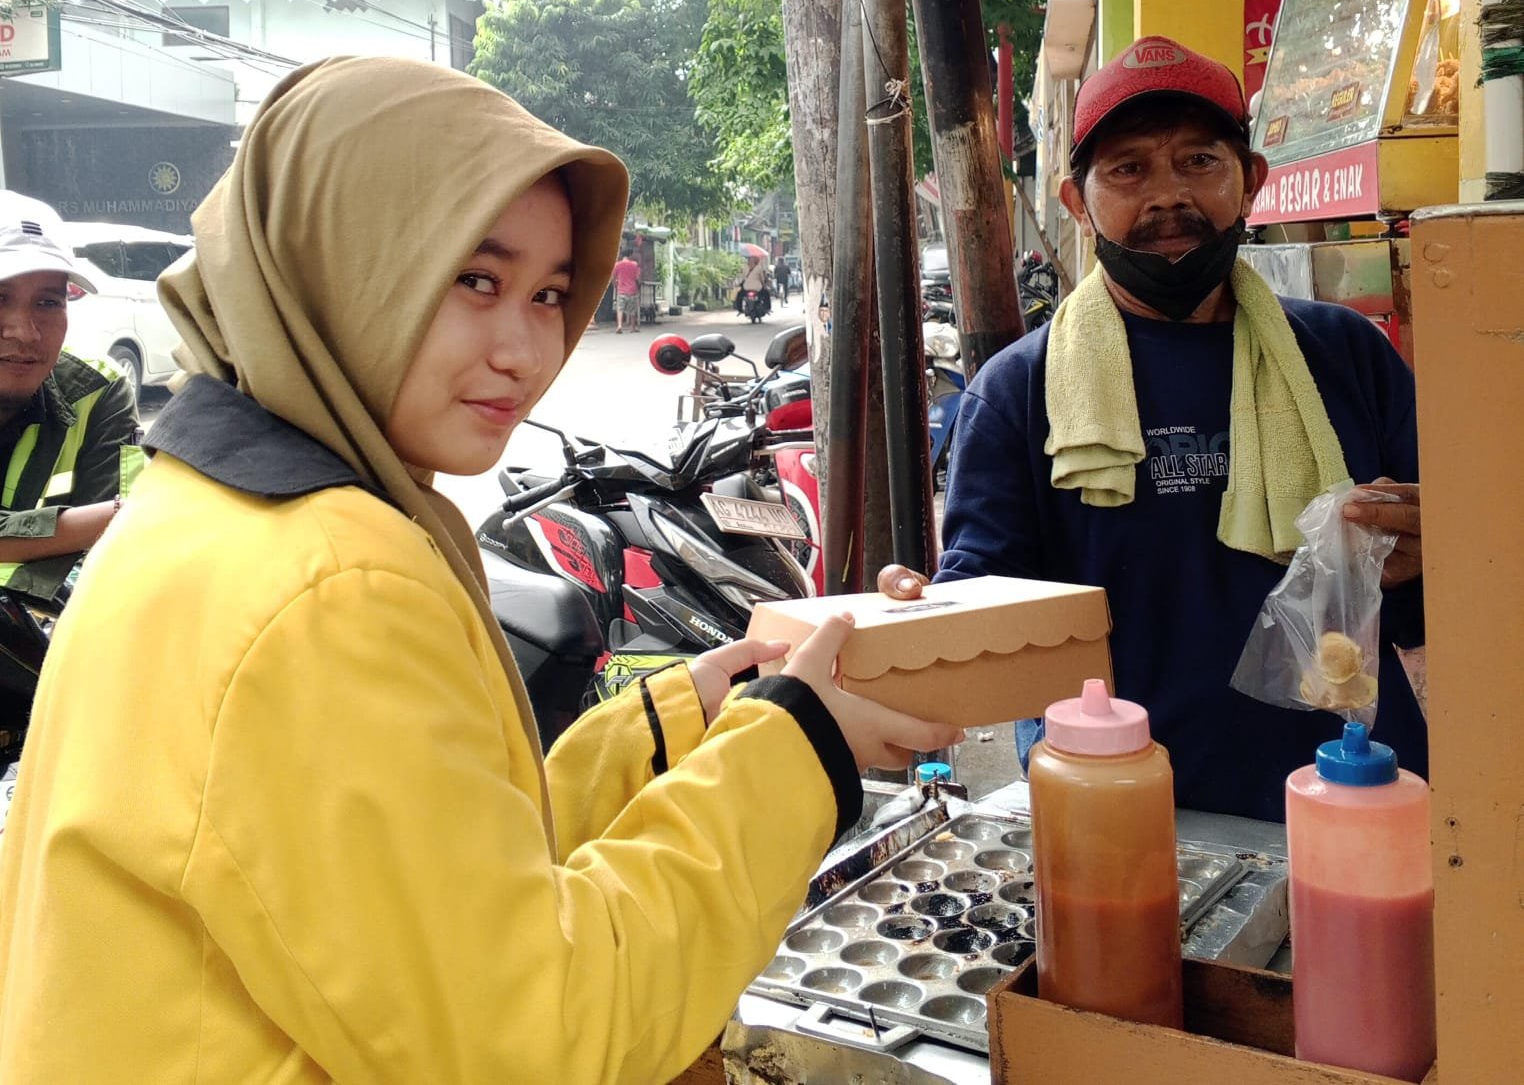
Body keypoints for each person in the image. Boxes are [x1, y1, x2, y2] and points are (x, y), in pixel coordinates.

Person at [0, 56, 961, 1083]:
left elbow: (420, 878)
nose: (524, 348)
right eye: (474, 279)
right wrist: (799, 744)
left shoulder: (210, 503)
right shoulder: (323, 583)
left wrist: (681, 722)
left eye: (550, 292)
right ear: (335, 257)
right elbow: (535, 1038)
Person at [883, 36, 1425, 824]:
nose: (1167, 195)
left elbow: (1437, 593)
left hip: (1352, 795)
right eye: (1129, 168)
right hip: (1112, 811)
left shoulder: (1346, 356)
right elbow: (989, 613)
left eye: (1199, 161)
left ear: (1251, 183)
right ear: (1078, 202)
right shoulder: (1018, 393)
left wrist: (1424, 556)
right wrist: (923, 620)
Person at [0, 192, 141, 601]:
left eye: (48, 302)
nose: (25, 332)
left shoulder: (98, 390)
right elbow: (127, 514)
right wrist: (91, 522)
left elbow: (129, 543)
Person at [611, 249, 641, 334]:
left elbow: (613, 278)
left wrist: (616, 286)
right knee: (632, 310)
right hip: (632, 290)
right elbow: (637, 278)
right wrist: (639, 286)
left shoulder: (617, 265)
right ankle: (632, 327)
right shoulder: (634, 264)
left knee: (620, 309)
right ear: (630, 255)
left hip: (621, 290)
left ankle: (619, 326)